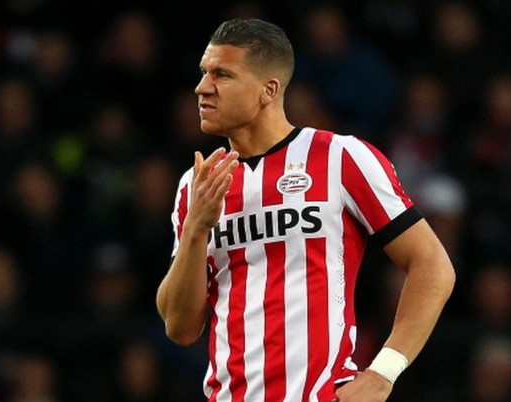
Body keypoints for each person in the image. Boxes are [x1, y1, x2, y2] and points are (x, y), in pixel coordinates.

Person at [156, 18, 455, 402]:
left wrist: (384, 372)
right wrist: (196, 229)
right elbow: (180, 327)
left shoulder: (340, 158)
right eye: (203, 73)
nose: (202, 87)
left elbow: (433, 265)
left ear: (268, 90)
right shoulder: (197, 185)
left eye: (222, 75)